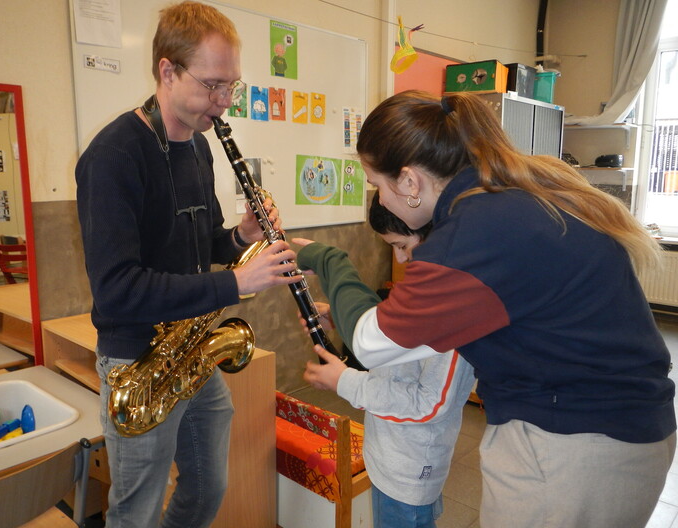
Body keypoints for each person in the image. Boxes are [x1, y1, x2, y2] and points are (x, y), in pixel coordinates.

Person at [293, 90, 676, 528]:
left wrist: (330, 259)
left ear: (409, 182)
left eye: (377, 186)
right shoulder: (506, 195)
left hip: (572, 446)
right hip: (616, 436)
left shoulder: (475, 231)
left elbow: (370, 341)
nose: (379, 200)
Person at [75, 2, 302, 527]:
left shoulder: (199, 147)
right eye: (212, 86)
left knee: (205, 490)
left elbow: (204, 248)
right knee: (136, 512)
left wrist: (239, 238)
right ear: (167, 71)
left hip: (193, 350)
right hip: (139, 361)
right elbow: (118, 291)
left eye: (232, 87)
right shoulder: (113, 157)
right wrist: (236, 282)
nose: (223, 104)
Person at [302, 192, 475, 528]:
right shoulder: (428, 285)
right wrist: (338, 318)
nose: (401, 257)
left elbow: (430, 403)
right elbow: (405, 344)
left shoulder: (457, 305)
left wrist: (346, 381)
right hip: (390, 454)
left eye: (400, 244)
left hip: (409, 471)